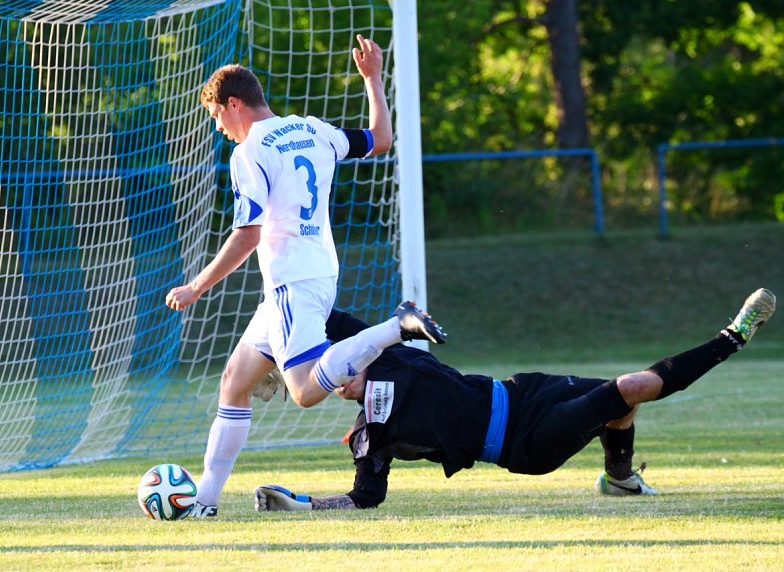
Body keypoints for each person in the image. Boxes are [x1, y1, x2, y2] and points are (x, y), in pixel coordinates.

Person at [165, 36, 445, 518]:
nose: (220, 128)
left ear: (234, 104)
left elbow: (247, 235)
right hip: (308, 278)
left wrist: (196, 287)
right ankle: (204, 504)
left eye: (217, 116)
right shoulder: (313, 130)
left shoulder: (249, 152)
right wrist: (373, 80)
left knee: (305, 393)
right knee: (234, 382)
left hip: (292, 283)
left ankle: (394, 328)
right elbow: (380, 140)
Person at [254, 288, 776, 512]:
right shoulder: (372, 430)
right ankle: (733, 337)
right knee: (631, 389)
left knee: (625, 402)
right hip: (525, 445)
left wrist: (270, 350)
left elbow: (311, 310)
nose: (335, 382)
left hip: (523, 390)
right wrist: (299, 503)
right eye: (326, 384)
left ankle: (620, 479)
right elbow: (364, 498)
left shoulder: (386, 350)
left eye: (334, 370)